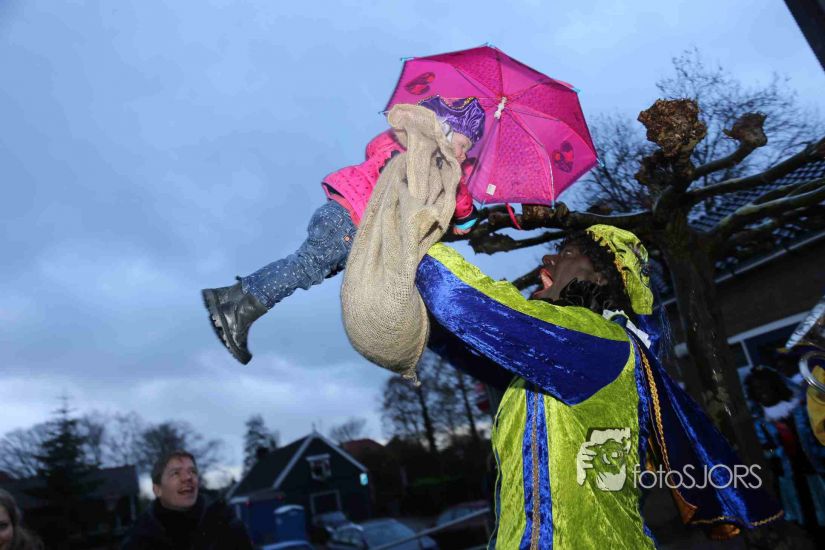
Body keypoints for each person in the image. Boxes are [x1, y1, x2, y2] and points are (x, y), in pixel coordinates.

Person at [414, 226, 783, 547]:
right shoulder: (562, 359)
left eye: (567, 253)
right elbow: (460, 340)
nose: (548, 258)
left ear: (604, 278)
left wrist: (417, 233)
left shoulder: (599, 342)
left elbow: (460, 301)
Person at [202, 95, 486, 365]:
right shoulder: (433, 159)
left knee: (307, 266)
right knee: (306, 267)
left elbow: (373, 148)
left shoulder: (402, 139)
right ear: (444, 131)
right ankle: (235, 311)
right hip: (351, 221)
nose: (463, 155)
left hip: (342, 213)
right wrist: (467, 218)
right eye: (463, 145)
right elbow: (458, 195)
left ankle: (230, 297)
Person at [121, 450, 252, 550]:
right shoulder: (139, 539)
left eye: (192, 471)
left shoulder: (226, 524)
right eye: (176, 473)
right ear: (157, 489)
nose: (187, 478)